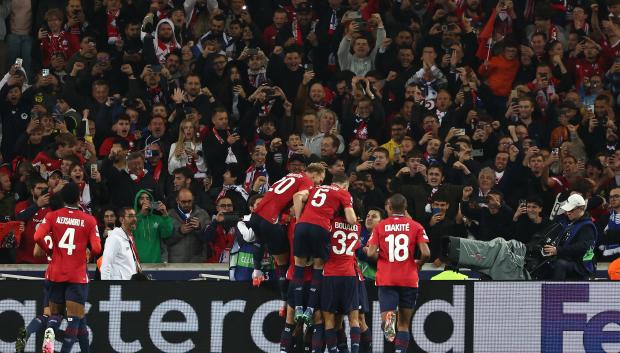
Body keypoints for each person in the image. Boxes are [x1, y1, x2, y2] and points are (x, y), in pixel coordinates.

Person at [33, 182, 101, 353]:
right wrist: (87, 253)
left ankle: (50, 335)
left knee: (57, 315)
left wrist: (49, 250)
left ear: (62, 198)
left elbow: (37, 236)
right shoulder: (89, 220)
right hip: (77, 275)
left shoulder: (52, 216)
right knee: (74, 319)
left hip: (56, 273)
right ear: (79, 198)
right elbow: (97, 248)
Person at [364, 194, 430, 352]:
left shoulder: (381, 226)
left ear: (390, 208)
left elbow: (370, 253)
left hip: (388, 279)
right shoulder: (416, 226)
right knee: (404, 325)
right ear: (405, 208)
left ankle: (390, 329)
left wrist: (381, 258)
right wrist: (419, 265)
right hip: (409, 279)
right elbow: (426, 253)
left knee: (388, 329)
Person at [248, 162, 325, 294]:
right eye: (320, 179)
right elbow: (297, 198)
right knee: (282, 263)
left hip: (255, 216)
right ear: (314, 174)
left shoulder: (290, 176)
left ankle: (256, 271)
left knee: (260, 240)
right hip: (270, 220)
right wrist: (300, 221)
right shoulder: (307, 181)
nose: (319, 184)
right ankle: (284, 303)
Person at [291, 172, 357, 325]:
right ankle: (310, 310)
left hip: (301, 226)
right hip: (321, 228)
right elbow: (352, 220)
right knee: (318, 266)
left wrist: (300, 219)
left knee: (299, 266)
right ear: (345, 185)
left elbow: (297, 196)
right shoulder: (343, 193)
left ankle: (299, 308)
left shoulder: (316, 188)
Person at [321, 216, 362, 353]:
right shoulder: (357, 226)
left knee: (329, 320)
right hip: (350, 275)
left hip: (331, 274)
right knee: (354, 319)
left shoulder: (330, 222)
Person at [543, 194, 597, 280]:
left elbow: (583, 247)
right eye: (567, 210)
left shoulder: (587, 226)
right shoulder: (569, 223)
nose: (568, 212)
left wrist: (558, 250)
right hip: (568, 259)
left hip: (581, 266)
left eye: (571, 210)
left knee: (560, 264)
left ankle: (557, 291)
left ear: (581, 208)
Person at [100, 207, 139, 280]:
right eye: (130, 216)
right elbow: (105, 265)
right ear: (121, 220)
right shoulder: (114, 238)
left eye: (135, 216)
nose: (134, 219)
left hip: (129, 285)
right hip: (118, 287)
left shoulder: (129, 238)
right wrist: (105, 287)